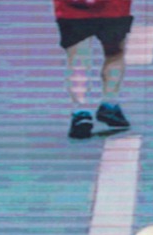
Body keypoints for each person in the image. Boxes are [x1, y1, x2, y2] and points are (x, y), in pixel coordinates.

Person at [53, 0, 133, 138]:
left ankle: (81, 112)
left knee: (77, 60)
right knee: (114, 54)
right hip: (114, 8)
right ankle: (109, 104)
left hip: (72, 9)